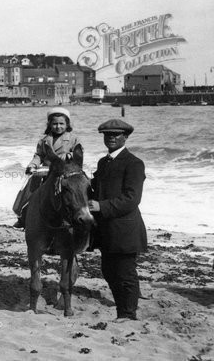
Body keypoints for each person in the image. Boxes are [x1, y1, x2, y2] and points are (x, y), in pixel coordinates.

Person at [88, 119, 147, 321]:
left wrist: (101, 206)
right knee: (109, 271)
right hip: (106, 228)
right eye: (108, 135)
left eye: (116, 135)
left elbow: (132, 198)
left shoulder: (134, 163)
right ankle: (123, 311)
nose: (111, 138)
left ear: (126, 137)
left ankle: (128, 314)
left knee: (125, 273)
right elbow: (96, 186)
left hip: (125, 229)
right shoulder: (103, 163)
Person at [13, 107, 83, 228]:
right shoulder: (44, 140)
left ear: (67, 124)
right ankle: (23, 214)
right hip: (47, 171)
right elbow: (39, 155)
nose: (58, 126)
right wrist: (32, 165)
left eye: (61, 123)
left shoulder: (73, 139)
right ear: (49, 124)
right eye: (55, 123)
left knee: (76, 191)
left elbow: (79, 154)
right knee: (29, 188)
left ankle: (80, 215)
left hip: (65, 171)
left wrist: (67, 156)